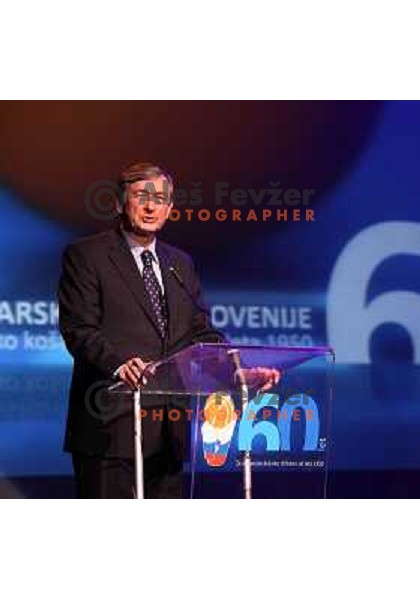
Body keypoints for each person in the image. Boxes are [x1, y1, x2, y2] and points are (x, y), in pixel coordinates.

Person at [58, 162, 279, 498]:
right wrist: (121, 364)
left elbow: (200, 334)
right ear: (119, 203)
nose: (150, 207)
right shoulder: (88, 255)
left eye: (159, 200)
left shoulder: (180, 263)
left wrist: (236, 373)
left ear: (169, 209)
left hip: (168, 433)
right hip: (110, 427)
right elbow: (80, 329)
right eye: (141, 197)